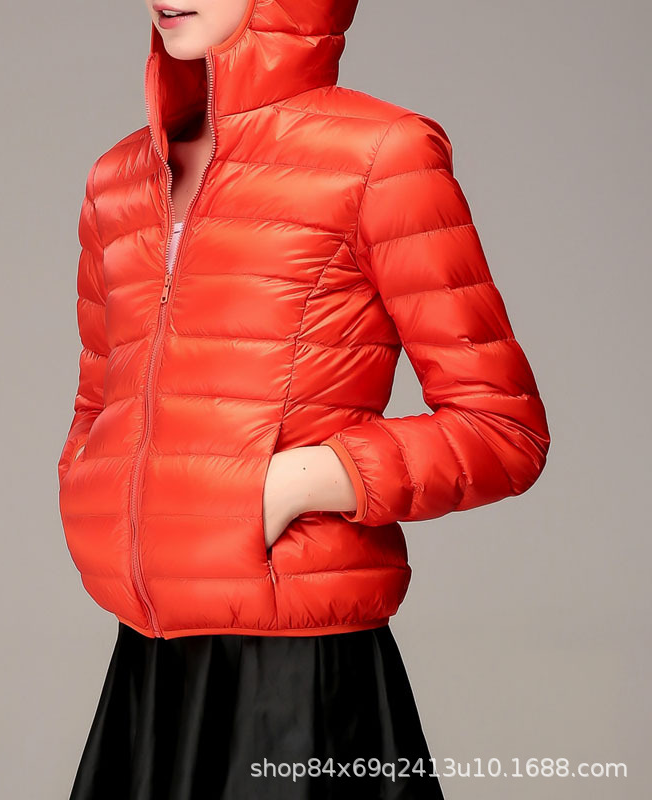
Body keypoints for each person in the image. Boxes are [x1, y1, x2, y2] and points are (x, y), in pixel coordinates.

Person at [58, 1, 551, 798]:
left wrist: (293, 484)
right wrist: (89, 487)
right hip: (148, 669)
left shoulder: (381, 154)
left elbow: (503, 430)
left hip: (298, 668)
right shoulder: (118, 179)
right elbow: (97, 402)